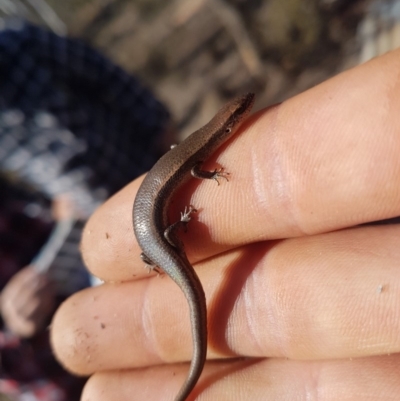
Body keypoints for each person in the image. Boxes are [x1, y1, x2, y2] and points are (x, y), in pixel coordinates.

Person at [51, 48, 400, 399]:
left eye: (242, 107)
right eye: (240, 111)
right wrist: (190, 206)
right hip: (157, 235)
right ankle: (191, 373)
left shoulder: (203, 140)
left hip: (152, 239)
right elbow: (192, 168)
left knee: (170, 258)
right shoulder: (201, 149)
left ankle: (189, 374)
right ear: (228, 125)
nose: (246, 107)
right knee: (178, 262)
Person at [0, 19, 172, 400]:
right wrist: (51, 206)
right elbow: (18, 187)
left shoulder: (24, 47)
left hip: (146, 164)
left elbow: (106, 77)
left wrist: (160, 127)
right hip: (99, 218)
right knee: (154, 301)